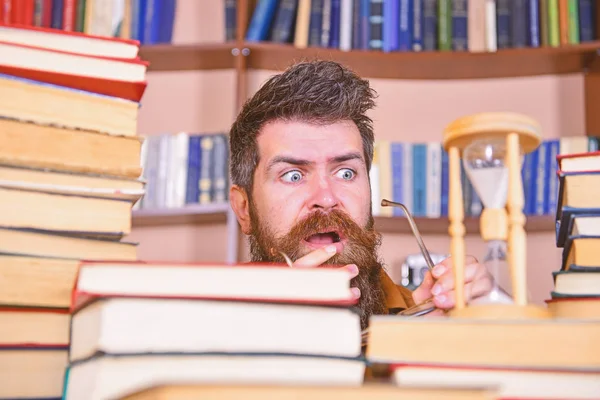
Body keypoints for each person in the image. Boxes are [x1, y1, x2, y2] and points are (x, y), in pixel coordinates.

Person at [228, 60, 493, 330]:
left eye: (345, 173)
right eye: (293, 175)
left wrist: (487, 313)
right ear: (244, 208)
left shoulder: (425, 315)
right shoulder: (214, 329)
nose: (327, 198)